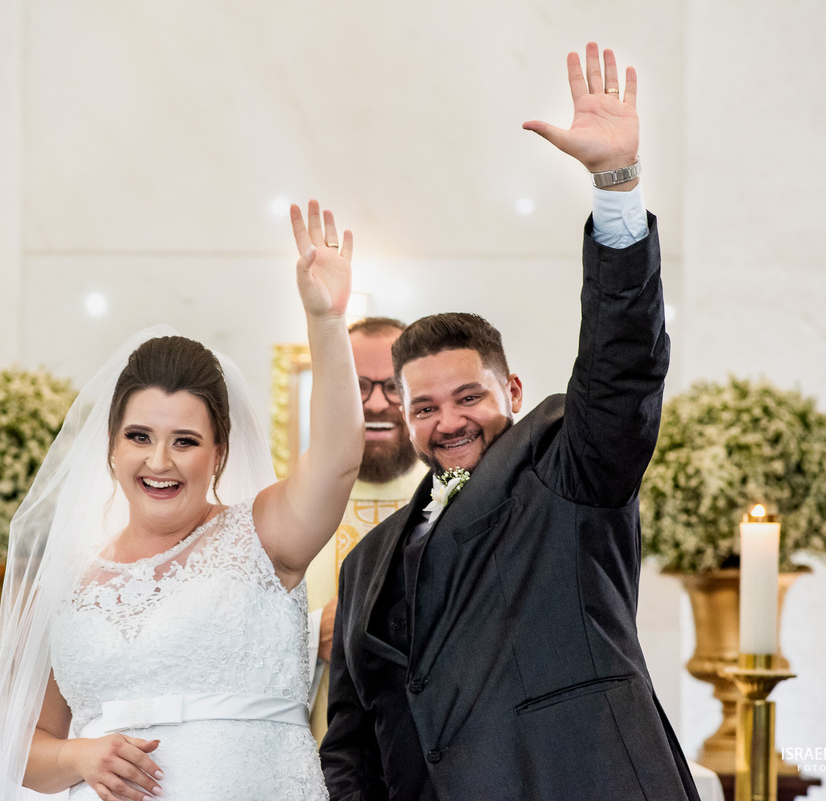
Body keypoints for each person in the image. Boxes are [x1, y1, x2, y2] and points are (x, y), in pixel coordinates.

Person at [321, 44, 701, 800]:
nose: (449, 421)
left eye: (470, 397)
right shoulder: (365, 564)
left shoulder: (566, 470)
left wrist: (616, 187)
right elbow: (351, 746)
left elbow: (622, 371)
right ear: (400, 411)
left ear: (513, 390)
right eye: (425, 406)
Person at [0, 200, 363, 801]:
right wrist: (79, 754)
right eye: (140, 437)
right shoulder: (65, 580)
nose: (159, 462)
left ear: (219, 454)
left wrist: (326, 324)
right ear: (111, 445)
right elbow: (25, 747)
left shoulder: (264, 537)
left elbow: (336, 460)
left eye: (185, 442)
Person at [304, 317, 428, 741]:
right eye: (358, 385)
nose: (377, 403)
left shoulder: (465, 502)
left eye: (394, 384)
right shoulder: (289, 509)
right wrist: (310, 634)